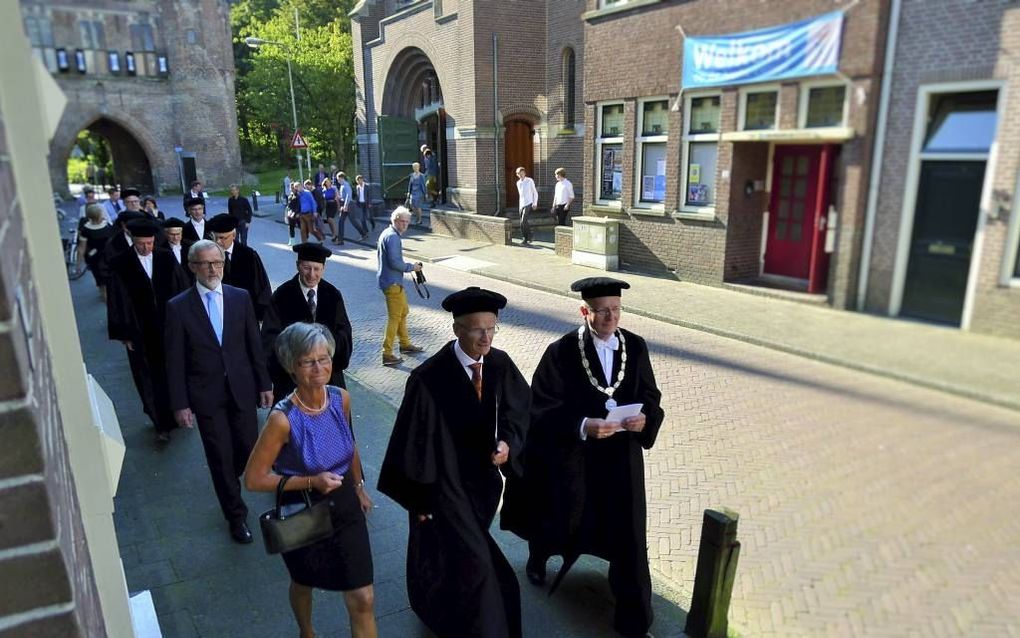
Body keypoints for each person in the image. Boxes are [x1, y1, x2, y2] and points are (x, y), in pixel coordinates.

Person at [501, 277, 665, 638]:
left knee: (630, 534)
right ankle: (540, 555)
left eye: (616, 310)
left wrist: (646, 418)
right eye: (602, 310)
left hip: (622, 460)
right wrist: (581, 425)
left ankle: (634, 619)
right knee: (563, 517)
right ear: (584, 310)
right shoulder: (560, 352)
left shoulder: (635, 348)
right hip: (574, 459)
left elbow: (651, 395)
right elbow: (539, 408)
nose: (610, 317)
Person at [379, 287, 530, 638]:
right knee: (480, 566)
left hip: (483, 485)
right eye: (478, 329)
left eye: (492, 328)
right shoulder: (428, 378)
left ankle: (443, 607)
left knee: (459, 558)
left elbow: (519, 410)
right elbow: (410, 442)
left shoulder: (499, 363)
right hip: (442, 486)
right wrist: (421, 502)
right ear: (457, 330)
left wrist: (508, 442)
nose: (486, 337)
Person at [245, 323, 377, 638]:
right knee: (304, 581)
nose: (319, 367)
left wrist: (358, 486)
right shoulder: (282, 419)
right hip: (303, 508)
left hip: (343, 500)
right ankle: (306, 631)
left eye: (324, 358)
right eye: (308, 361)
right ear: (292, 366)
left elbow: (350, 444)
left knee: (363, 597)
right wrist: (310, 482)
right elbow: (253, 479)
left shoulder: (340, 398)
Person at [165, 240, 273, 543]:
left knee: (248, 450)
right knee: (220, 458)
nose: (213, 269)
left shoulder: (240, 298)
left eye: (218, 263)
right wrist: (180, 404)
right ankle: (235, 515)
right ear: (192, 267)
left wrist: (264, 383)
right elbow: (174, 361)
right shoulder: (178, 307)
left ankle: (232, 482)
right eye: (206, 264)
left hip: (242, 390)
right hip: (206, 396)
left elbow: (254, 344)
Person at [106, 219, 190, 443]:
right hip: (139, 332)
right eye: (141, 243)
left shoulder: (165, 257)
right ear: (133, 241)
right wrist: (124, 334)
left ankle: (179, 411)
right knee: (148, 378)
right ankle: (160, 422)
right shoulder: (120, 263)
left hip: (168, 327)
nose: (146, 248)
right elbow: (116, 300)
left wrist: (185, 321)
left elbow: (181, 289)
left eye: (150, 243)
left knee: (174, 370)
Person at [262, 242, 353, 404]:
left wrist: (324, 349)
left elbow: (344, 333)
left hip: (328, 381)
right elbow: (270, 339)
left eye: (317, 269)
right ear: (298, 266)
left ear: (323, 269)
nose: (311, 274)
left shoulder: (332, 295)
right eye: (306, 268)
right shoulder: (282, 296)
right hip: (292, 383)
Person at [375, 207, 423, 366]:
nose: (405, 225)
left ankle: (405, 344)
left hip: (390, 281)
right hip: (393, 282)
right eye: (402, 221)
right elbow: (395, 263)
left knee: (403, 312)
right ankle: (387, 353)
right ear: (394, 220)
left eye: (407, 222)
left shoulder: (387, 233)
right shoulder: (393, 237)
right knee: (395, 317)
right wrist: (412, 267)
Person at [207, 213, 272, 321]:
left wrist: (261, 315)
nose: (218, 242)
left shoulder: (248, 255)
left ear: (233, 235)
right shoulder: (208, 256)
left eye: (223, 238)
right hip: (217, 313)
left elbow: (261, 286)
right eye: (216, 238)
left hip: (245, 313)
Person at [76, 203, 117, 299]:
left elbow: (81, 248)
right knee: (106, 277)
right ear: (99, 215)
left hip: (93, 257)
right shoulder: (106, 226)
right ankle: (107, 297)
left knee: (100, 278)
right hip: (105, 257)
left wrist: (78, 264)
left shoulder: (85, 229)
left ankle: (104, 292)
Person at [337, 172, 368, 244]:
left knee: (352, 221)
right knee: (341, 221)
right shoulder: (342, 186)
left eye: (338, 179)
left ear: (341, 178)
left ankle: (363, 234)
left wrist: (345, 206)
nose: (338, 181)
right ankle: (340, 239)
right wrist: (340, 197)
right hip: (346, 204)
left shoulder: (346, 185)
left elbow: (348, 195)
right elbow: (344, 196)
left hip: (349, 205)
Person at [515, 167, 538, 246]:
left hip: (529, 202)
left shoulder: (529, 181)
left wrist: (535, 203)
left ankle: (526, 237)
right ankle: (528, 236)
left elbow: (535, 192)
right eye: (518, 173)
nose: (520, 175)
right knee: (522, 222)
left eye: (521, 173)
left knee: (523, 220)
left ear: (524, 173)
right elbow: (521, 195)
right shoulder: (518, 183)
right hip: (521, 204)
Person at [321, 177, 340, 243]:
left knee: (330, 219)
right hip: (328, 206)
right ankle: (334, 235)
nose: (328, 183)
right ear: (325, 183)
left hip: (333, 204)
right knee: (329, 220)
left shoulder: (333, 188)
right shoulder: (323, 190)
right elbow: (323, 200)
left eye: (329, 182)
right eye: (327, 182)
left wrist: (338, 206)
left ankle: (335, 234)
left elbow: (337, 197)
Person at [286, 182, 302, 246]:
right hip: (291, 213)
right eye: (291, 188)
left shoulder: (298, 195)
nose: (292, 189)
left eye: (293, 188)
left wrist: (297, 213)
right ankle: (292, 240)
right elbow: (289, 205)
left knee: (301, 227)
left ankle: (304, 240)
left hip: (297, 214)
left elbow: (299, 205)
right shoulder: (290, 196)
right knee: (291, 227)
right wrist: (288, 212)